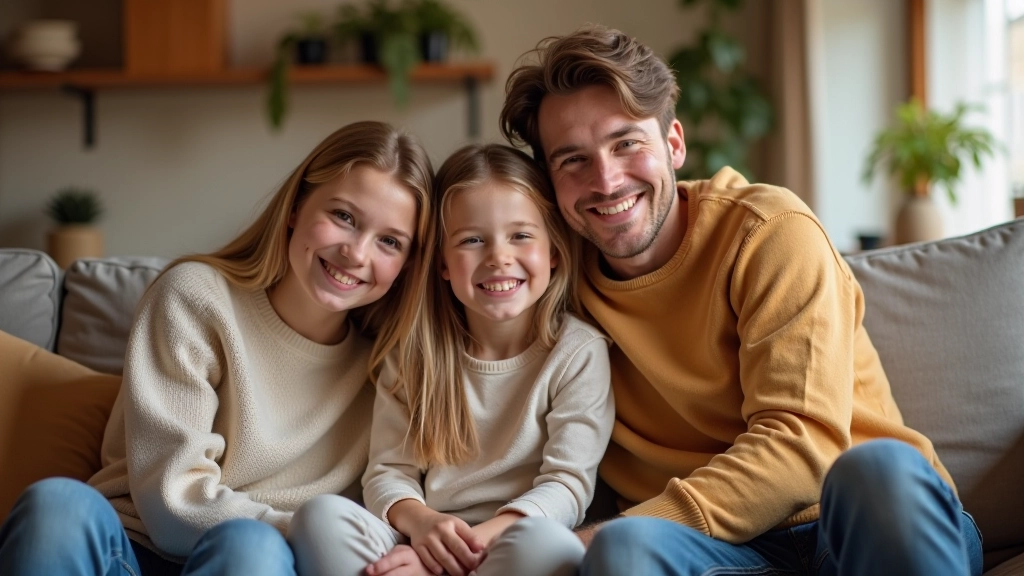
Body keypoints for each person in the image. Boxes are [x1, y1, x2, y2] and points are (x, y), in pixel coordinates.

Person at [499, 24, 983, 576]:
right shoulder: (549, 279)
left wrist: (616, 528)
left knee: (879, 470)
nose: (606, 181)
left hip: (858, 524)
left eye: (627, 143)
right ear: (549, 181)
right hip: (724, 556)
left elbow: (802, 450)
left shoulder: (768, 231)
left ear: (674, 144)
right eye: (573, 160)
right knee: (624, 552)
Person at [0, 121, 435, 576]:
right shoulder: (194, 298)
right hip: (133, 551)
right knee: (56, 504)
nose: (357, 253)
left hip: (257, 563)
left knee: (248, 548)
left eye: (390, 241)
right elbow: (172, 503)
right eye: (343, 216)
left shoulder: (396, 362)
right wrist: (315, 531)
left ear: (408, 264)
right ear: (296, 208)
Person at [286, 143, 615, 576]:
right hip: (424, 535)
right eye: (472, 240)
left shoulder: (577, 352)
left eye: (520, 235)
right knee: (321, 517)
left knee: (549, 544)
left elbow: (566, 486)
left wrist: (455, 554)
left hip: (511, 542)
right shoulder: (415, 352)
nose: (498, 257)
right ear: (442, 262)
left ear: (553, 252)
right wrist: (423, 526)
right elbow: (389, 471)